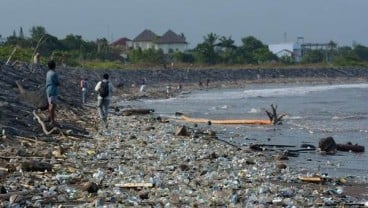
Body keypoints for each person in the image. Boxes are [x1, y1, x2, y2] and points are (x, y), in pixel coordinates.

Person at [45, 60, 59, 127]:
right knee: (52, 106)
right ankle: (52, 121)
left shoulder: (48, 73)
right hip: (53, 90)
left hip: (48, 90)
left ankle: (49, 118)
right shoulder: (54, 73)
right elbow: (57, 82)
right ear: (54, 66)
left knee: (51, 104)